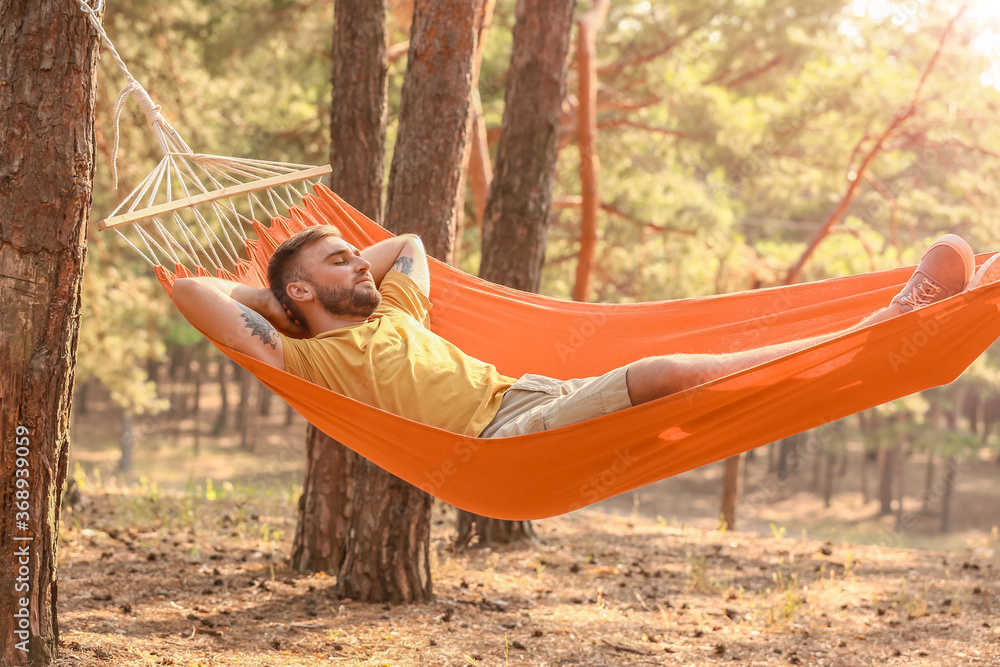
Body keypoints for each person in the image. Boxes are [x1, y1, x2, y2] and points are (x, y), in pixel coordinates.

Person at [170, 227, 997, 438]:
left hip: (536, 397)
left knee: (674, 368)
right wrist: (285, 295)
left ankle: (900, 345)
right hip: (503, 440)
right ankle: (883, 330)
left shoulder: (396, 309)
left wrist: (329, 273)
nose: (365, 267)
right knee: (664, 370)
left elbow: (410, 246)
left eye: (357, 258)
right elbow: (195, 290)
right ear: (302, 292)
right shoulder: (309, 358)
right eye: (341, 263)